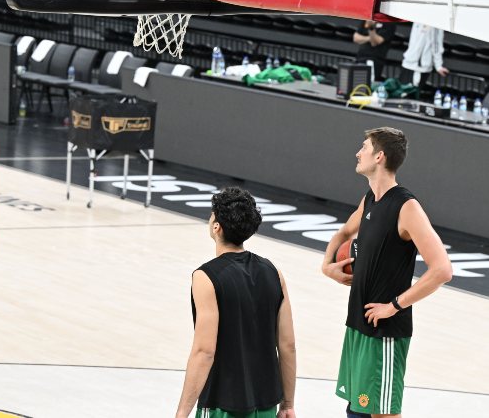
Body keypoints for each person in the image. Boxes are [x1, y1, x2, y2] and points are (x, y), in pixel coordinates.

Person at [322, 127, 453, 418]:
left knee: (383, 414)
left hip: (384, 333)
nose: (358, 152)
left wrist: (394, 306)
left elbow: (442, 270)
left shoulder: (407, 207)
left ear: (379, 156)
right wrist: (327, 265)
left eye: (364, 147)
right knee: (357, 413)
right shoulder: (370, 199)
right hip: (358, 324)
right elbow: (345, 232)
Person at [174, 187, 296, 418]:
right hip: (267, 404)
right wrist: (288, 404)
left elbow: (204, 351)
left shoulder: (205, 277)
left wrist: (182, 413)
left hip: (223, 403)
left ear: (216, 226)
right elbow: (288, 345)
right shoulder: (273, 272)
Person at [399, 23, 449, 100]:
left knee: (411, 97)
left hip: (420, 67)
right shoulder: (417, 18)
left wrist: (438, 65)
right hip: (408, 63)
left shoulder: (436, 23)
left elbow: (436, 44)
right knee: (401, 95)